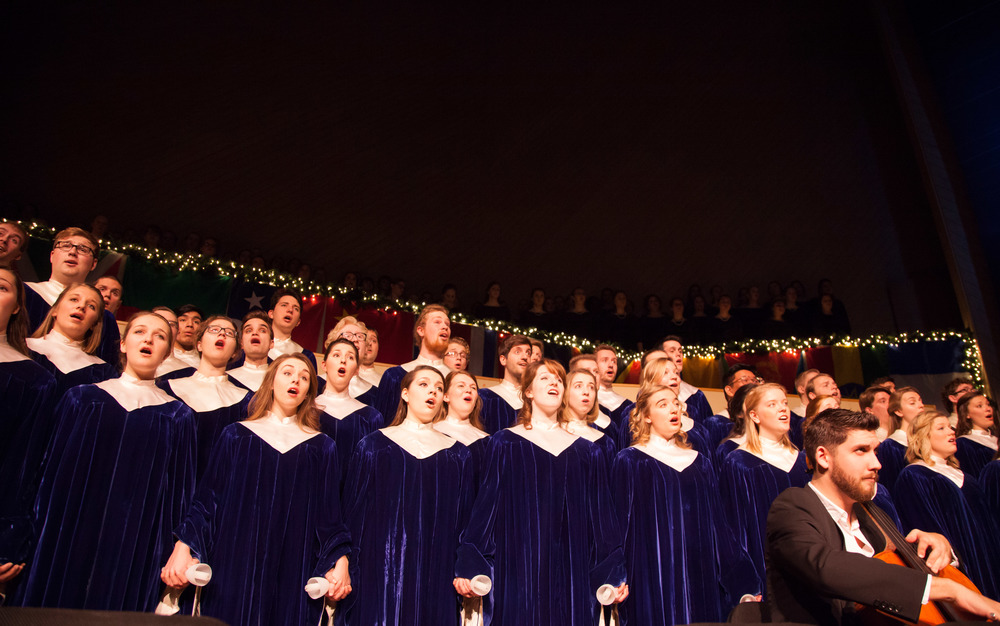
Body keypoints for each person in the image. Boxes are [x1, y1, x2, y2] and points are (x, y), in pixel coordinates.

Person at [17, 312, 197, 611]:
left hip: (133, 545)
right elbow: (43, 472)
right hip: (65, 534)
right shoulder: (81, 399)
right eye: (140, 331)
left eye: (160, 336)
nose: (149, 339)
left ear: (167, 353)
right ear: (124, 344)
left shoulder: (178, 416)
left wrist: (174, 550)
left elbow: (179, 495)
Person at [163, 354, 351, 626]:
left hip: (293, 566)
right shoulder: (236, 435)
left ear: (309, 392)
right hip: (235, 559)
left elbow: (329, 517)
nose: (295, 379)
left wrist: (340, 560)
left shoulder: (322, 447)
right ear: (271, 382)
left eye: (304, 377)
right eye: (287, 373)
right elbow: (208, 501)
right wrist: (183, 545)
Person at [766, 408, 1000, 625]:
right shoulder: (792, 506)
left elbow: (898, 566)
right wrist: (947, 589)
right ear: (823, 457)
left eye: (875, 451)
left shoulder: (869, 514)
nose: (876, 463)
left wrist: (941, 547)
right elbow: (824, 566)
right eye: (861, 451)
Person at [455, 359, 627, 625]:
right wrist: (470, 564)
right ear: (528, 392)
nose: (554, 383)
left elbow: (602, 520)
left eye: (559, 380)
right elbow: (486, 510)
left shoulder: (587, 451)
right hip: (519, 568)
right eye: (545, 378)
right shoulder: (505, 443)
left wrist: (613, 574)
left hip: (573, 573)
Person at [613, 384, 759, 625]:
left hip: (699, 570)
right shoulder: (630, 460)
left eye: (675, 403)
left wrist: (741, 582)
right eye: (663, 404)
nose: (673, 408)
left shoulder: (700, 462)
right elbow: (620, 525)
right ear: (647, 416)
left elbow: (719, 526)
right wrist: (616, 576)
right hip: (651, 572)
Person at [340, 365, 474, 626]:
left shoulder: (458, 455)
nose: (432, 391)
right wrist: (344, 562)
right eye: (423, 384)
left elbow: (465, 522)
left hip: (437, 569)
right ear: (404, 394)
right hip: (378, 568)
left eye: (438, 387)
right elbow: (353, 514)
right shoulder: (373, 446)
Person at [893, 409, 1000, 600]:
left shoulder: (967, 477)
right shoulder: (916, 476)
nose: (951, 432)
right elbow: (925, 524)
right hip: (963, 568)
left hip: (989, 561)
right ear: (923, 436)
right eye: (941, 428)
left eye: (950, 427)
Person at [0, 268, 57, 587]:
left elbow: (21, 468)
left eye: (2, 287)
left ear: (18, 305)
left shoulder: (33, 381)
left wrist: (7, 539)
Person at [720, 383, 809, 585]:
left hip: (810, 560)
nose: (782, 408)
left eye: (785, 403)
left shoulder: (803, 460)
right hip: (766, 566)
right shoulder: (740, 462)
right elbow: (735, 525)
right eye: (772, 404)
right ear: (755, 416)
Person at [158, 315, 250, 480]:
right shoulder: (165, 389)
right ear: (199, 344)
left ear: (236, 351)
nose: (221, 335)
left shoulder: (246, 402)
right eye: (214, 330)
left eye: (229, 333)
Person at [23, 227, 121, 365]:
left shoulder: (104, 318)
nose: (73, 252)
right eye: (65, 245)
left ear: (93, 264)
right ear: (52, 255)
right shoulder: (22, 293)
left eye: (83, 249)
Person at [315, 338, 383, 492]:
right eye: (337, 355)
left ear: (357, 370)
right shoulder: (307, 410)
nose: (343, 360)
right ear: (324, 365)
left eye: (351, 357)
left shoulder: (370, 417)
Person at [27, 283, 118, 396]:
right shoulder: (22, 349)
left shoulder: (103, 373)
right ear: (55, 310)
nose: (81, 306)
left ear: (94, 324)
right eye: (74, 299)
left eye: (91, 306)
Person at [372, 304, 451, 420]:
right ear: (421, 330)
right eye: (437, 322)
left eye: (447, 324)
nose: (445, 327)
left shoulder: (454, 380)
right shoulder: (395, 376)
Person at [434, 370, 489, 476]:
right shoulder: (432, 433)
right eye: (461, 386)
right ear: (446, 396)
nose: (468, 390)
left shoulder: (486, 441)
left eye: (473, 387)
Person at [563, 368, 617, 467]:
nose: (586, 392)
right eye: (578, 386)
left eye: (591, 387)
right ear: (565, 392)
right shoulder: (555, 436)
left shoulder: (606, 442)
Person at [478, 334, 531, 434]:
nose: (525, 357)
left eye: (528, 353)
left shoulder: (536, 399)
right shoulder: (485, 397)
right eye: (517, 351)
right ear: (503, 359)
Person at [876, 386, 924, 491]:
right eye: (912, 403)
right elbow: (892, 485)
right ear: (898, 411)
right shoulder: (891, 446)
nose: (921, 406)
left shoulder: (928, 441)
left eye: (920, 401)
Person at [704, 364, 758, 449]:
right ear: (729, 390)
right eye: (745, 380)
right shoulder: (716, 423)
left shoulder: (763, 421)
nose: (752, 384)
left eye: (755, 380)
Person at [661, 336, 713, 423]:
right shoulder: (649, 396)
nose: (678, 354)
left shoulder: (696, 395)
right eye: (672, 351)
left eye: (680, 351)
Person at [267, 288, 318, 370]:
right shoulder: (254, 347)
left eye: (296, 308)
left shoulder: (306, 357)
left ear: (298, 322)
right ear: (271, 313)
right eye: (284, 305)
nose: (290, 310)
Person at [954, 391, 997, 479]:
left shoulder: (996, 439)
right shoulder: (964, 444)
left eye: (988, 404)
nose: (988, 409)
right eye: (979, 406)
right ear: (967, 414)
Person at [227, 311, 273, 392]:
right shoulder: (227, 379)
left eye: (262, 330)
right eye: (248, 330)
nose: (255, 333)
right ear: (241, 343)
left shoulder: (280, 380)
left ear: (271, 343)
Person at [595, 345, 632, 434]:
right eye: (604, 360)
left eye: (614, 361)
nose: (611, 365)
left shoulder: (628, 406)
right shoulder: (587, 402)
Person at [798, 373, 841, 448]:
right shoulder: (802, 425)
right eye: (826, 385)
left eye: (835, 384)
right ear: (812, 395)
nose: (834, 387)